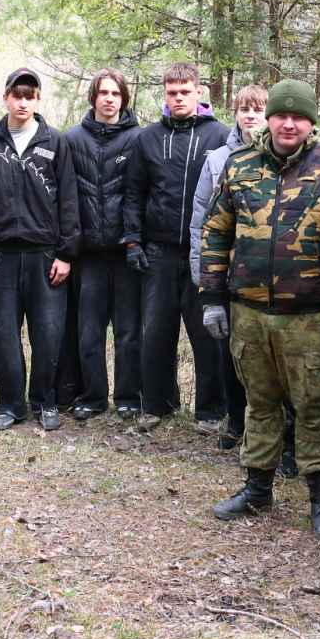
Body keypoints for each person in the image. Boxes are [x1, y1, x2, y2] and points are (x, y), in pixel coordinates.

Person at [202, 80, 320, 538]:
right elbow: (216, 232)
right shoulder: (239, 166)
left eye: (298, 117)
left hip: (309, 318)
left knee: (313, 407)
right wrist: (211, 298)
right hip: (249, 312)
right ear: (268, 118)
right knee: (260, 403)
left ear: (311, 122)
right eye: (281, 115)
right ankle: (257, 489)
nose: (289, 124)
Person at [0, 68, 80, 431]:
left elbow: (69, 200)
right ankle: (10, 404)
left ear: (38, 100)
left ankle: (45, 401)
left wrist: (66, 253)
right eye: (17, 95)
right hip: (0, 255)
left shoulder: (55, 141)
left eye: (29, 96)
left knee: (47, 333)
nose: (22, 102)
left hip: (45, 254)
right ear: (6, 98)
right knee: (4, 333)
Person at [122, 62, 230, 429]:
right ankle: (157, 405)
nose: (179, 98)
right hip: (159, 252)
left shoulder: (219, 136)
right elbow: (134, 192)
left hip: (205, 252)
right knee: (155, 333)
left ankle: (211, 411)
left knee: (207, 334)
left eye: (185, 92)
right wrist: (133, 240)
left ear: (199, 92)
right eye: (172, 92)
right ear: (164, 94)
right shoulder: (147, 138)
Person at [189, 84, 268, 448]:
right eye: (244, 109)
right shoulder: (218, 159)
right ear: (235, 114)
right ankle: (235, 421)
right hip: (227, 273)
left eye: (258, 109)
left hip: (267, 275)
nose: (250, 116)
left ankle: (266, 427)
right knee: (229, 352)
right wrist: (203, 273)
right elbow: (201, 220)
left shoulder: (280, 156)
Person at [63, 69, 144, 421]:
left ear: (123, 99)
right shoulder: (71, 139)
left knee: (128, 331)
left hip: (126, 252)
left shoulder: (139, 139)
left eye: (115, 93)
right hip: (88, 254)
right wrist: (68, 246)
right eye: (103, 93)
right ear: (93, 97)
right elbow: (65, 197)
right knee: (89, 332)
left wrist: (135, 239)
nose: (109, 99)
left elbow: (140, 193)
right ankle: (93, 396)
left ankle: (128, 397)